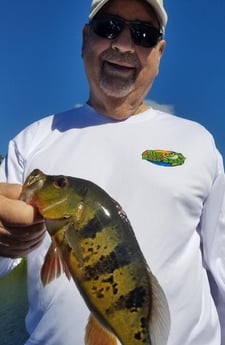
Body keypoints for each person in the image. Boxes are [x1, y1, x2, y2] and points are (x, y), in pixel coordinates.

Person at [0, 0, 225, 344]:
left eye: (144, 34)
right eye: (108, 27)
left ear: (160, 52)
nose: (122, 44)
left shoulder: (198, 142)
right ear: (85, 38)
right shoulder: (31, 141)